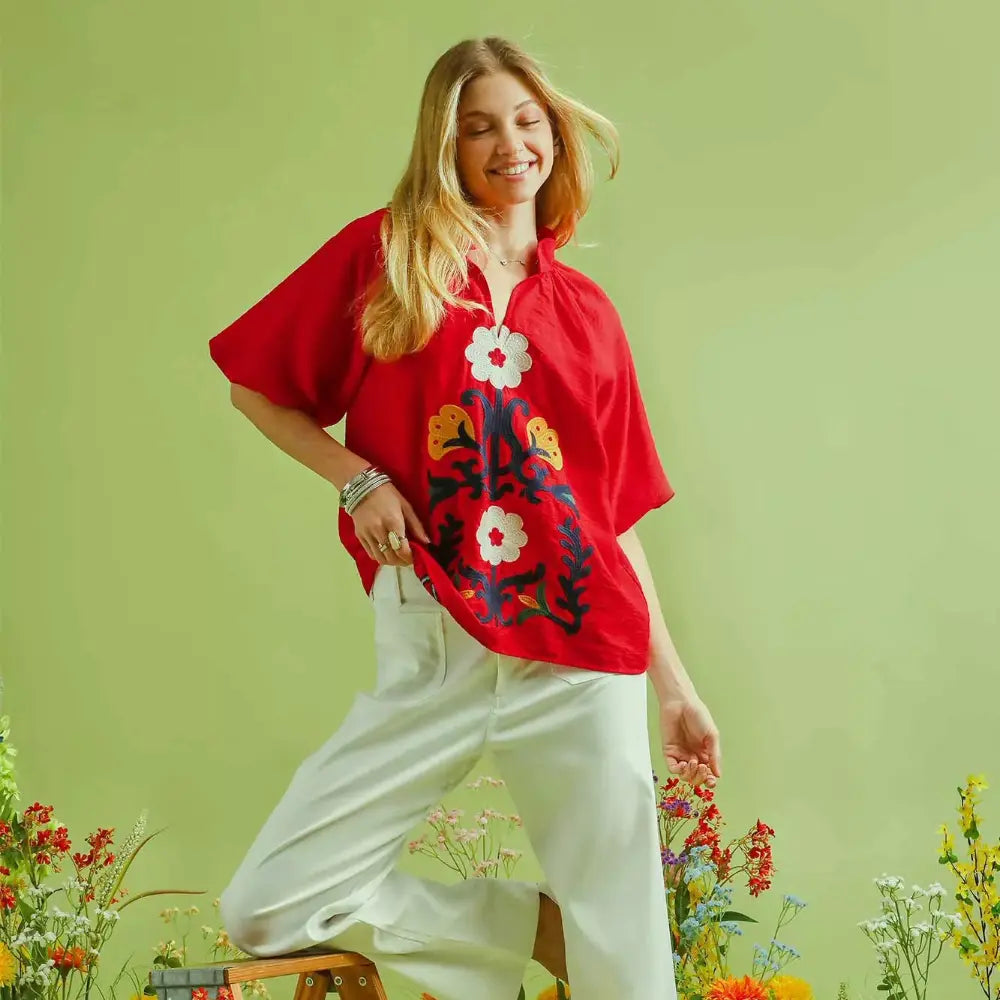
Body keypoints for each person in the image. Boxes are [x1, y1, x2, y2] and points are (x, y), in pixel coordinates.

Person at [208, 35, 722, 1000]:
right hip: (435, 629)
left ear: (556, 136)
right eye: (479, 127)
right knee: (268, 908)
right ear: (445, 144)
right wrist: (356, 480)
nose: (509, 146)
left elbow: (612, 519)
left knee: (628, 957)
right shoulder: (388, 255)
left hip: (580, 646)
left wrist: (676, 687)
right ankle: (524, 925)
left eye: (527, 122)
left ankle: (584, 941)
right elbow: (257, 387)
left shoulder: (589, 313)